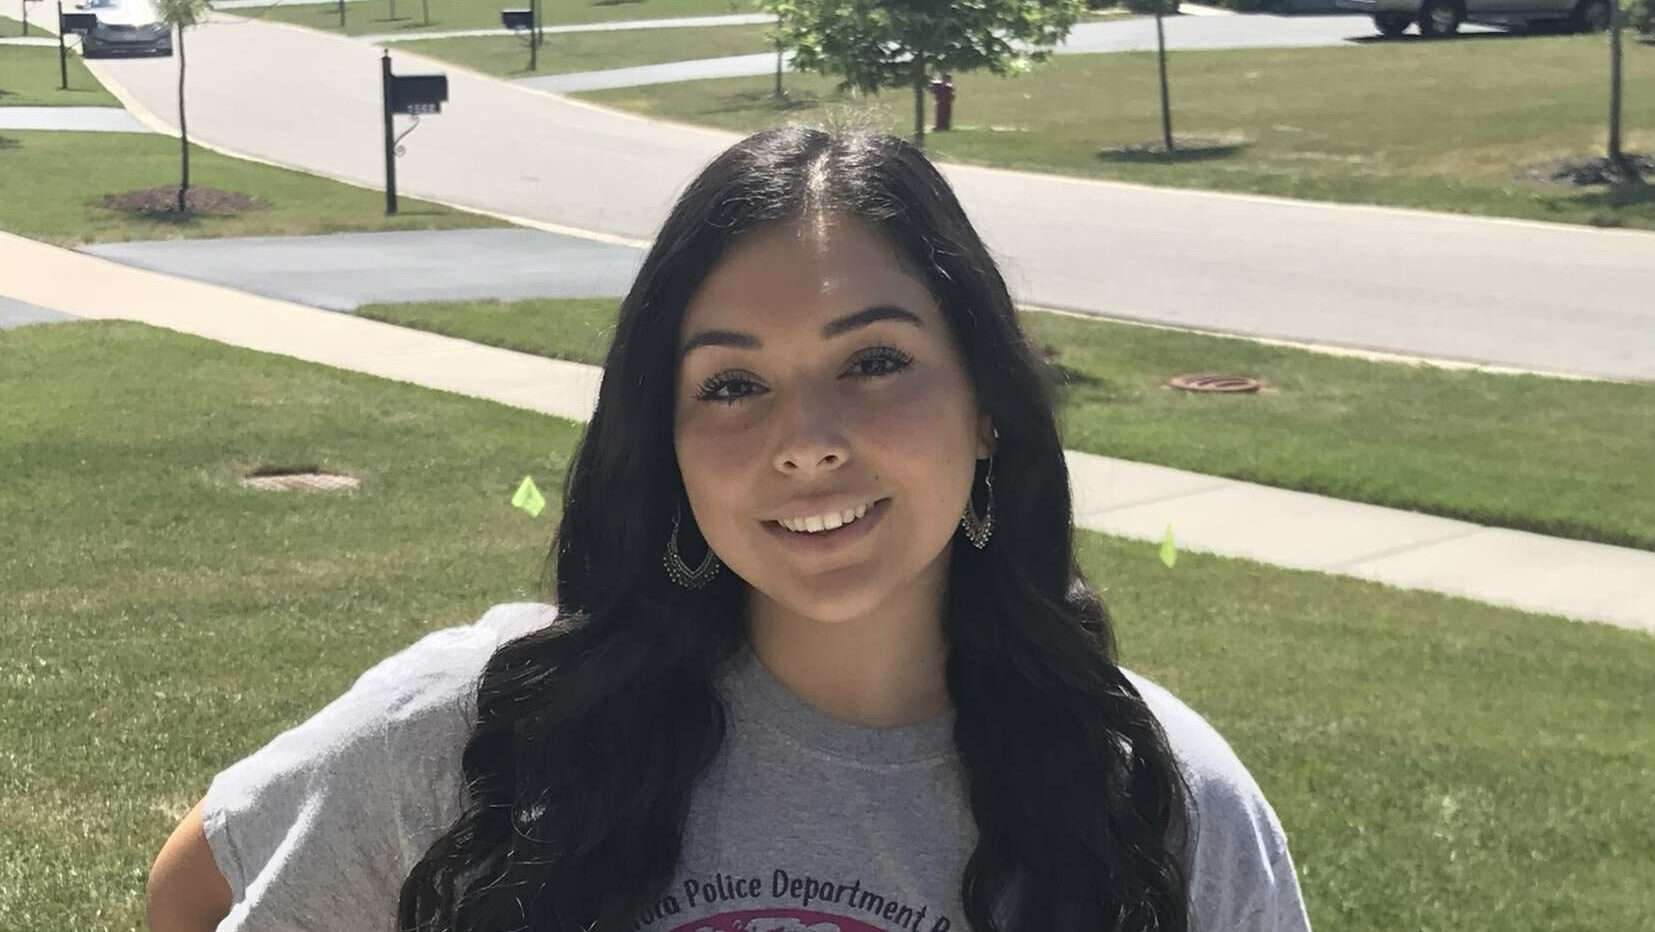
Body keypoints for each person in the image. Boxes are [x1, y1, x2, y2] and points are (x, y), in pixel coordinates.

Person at [146, 126, 1312, 932]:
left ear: (986, 407)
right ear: (667, 439)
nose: (805, 441)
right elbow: (194, 887)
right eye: (731, 384)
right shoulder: (487, 725)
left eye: (874, 361)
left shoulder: (1160, 799)